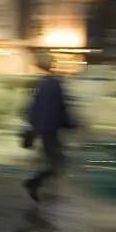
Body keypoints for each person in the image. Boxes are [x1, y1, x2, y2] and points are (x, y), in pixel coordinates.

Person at [22, 51, 74, 202]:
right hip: (49, 129)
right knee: (58, 162)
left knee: (55, 160)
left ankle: (38, 184)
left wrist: (32, 127)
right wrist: (68, 123)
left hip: (43, 128)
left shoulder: (40, 84)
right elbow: (60, 108)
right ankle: (34, 183)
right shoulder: (54, 83)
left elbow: (32, 108)